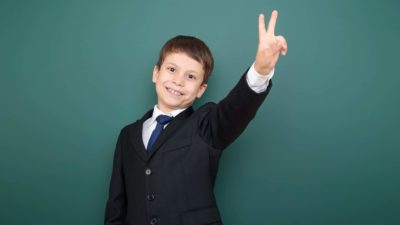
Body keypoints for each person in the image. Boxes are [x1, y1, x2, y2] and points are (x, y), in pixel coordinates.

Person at [105, 10, 287, 225]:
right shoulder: (127, 135)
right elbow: (116, 205)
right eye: (172, 69)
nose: (178, 81)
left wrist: (261, 71)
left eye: (190, 76)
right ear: (156, 73)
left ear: (201, 89)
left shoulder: (206, 124)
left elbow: (234, 110)